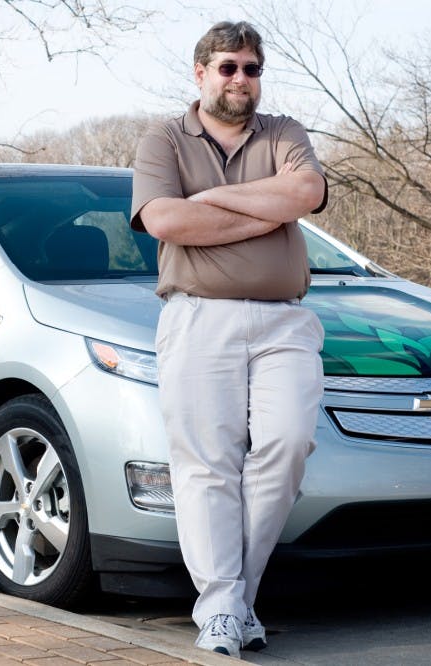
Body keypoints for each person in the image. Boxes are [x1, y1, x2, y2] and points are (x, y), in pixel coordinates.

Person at [130, 20, 328, 659]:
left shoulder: (284, 133)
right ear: (201, 73)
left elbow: (307, 191)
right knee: (206, 466)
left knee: (288, 444)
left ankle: (231, 600)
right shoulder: (163, 140)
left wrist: (212, 202)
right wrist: (264, 209)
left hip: (284, 320)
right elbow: (164, 219)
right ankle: (224, 610)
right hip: (198, 318)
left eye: (251, 68)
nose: (241, 79)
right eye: (228, 67)